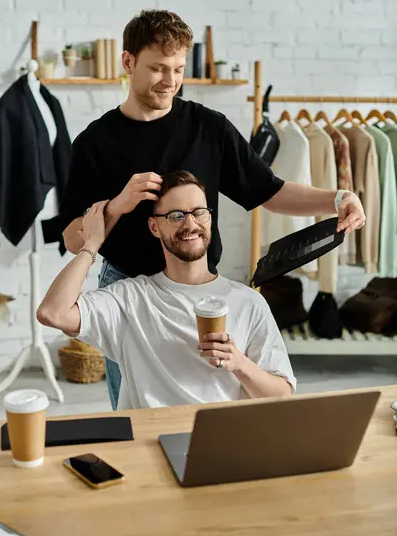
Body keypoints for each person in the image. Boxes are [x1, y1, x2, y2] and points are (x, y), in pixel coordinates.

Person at [59, 9, 365, 409]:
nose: (170, 81)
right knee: (136, 412)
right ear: (128, 62)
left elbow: (268, 191)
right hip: (129, 295)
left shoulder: (209, 127)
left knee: (216, 400)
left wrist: (336, 198)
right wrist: (117, 206)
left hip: (202, 287)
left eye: (178, 69)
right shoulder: (94, 142)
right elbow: (70, 238)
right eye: (157, 68)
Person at [38, 171, 296, 409]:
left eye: (199, 212)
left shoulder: (249, 302)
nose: (190, 224)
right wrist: (92, 244)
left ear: (210, 217)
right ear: (154, 227)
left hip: (220, 443)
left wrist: (239, 363)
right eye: (176, 216)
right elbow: (53, 313)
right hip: (151, 444)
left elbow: (282, 394)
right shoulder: (130, 299)